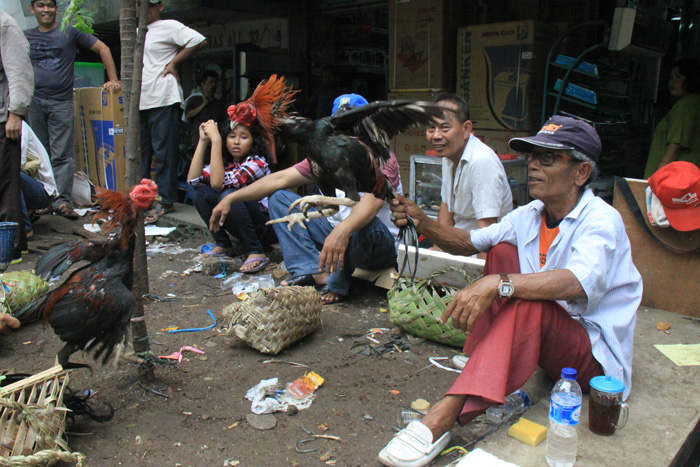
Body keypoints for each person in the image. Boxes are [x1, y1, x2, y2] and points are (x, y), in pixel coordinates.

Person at [378, 116, 643, 467]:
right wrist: (421, 221)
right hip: (551, 338)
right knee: (502, 251)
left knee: (524, 298)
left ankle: (444, 414)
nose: (532, 165)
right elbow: (468, 241)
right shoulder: (531, 214)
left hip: (593, 358)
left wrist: (498, 283)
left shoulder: (601, 219)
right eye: (533, 156)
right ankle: (483, 359)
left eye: (548, 158)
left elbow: (577, 281)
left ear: (581, 173)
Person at [210, 94, 400, 305]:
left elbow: (372, 203)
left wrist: (342, 231)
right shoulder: (328, 152)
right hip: (334, 232)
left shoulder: (381, 156)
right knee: (280, 198)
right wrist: (231, 198)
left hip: (377, 243)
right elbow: (280, 178)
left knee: (366, 226)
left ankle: (337, 283)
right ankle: (312, 270)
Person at [24, 0, 120, 220]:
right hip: (34, 101)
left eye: (50, 5)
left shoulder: (70, 32)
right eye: (40, 5)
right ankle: (43, 201)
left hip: (61, 101)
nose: (46, 9)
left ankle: (62, 201)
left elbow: (103, 48)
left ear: (57, 9)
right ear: (32, 9)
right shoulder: (25, 36)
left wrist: (113, 79)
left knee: (61, 155)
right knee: (39, 155)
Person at [140, 0, 206, 223]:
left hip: (163, 97)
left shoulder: (168, 26)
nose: (145, 9)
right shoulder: (137, 31)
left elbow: (197, 40)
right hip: (140, 100)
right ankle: (142, 199)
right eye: (141, 5)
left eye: (150, 5)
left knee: (163, 152)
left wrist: (174, 62)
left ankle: (165, 200)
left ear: (160, 6)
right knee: (140, 153)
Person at [428, 93, 513, 258]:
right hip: (458, 248)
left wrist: (480, 278)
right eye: (431, 128)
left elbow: (488, 236)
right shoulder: (449, 157)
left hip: (481, 255)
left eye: (445, 127)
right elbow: (446, 209)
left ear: (466, 129)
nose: (436, 135)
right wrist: (437, 254)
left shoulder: (481, 162)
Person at [187, 117, 271, 272]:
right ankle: (223, 245)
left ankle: (256, 251)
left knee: (230, 194)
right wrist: (203, 141)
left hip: (265, 227)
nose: (237, 142)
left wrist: (216, 140)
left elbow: (217, 183)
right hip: (243, 225)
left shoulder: (257, 163)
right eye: (232, 136)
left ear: (254, 141)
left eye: (244, 137)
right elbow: (193, 181)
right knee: (199, 194)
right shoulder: (227, 164)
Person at [1, 11, 34, 263]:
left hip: (4, 119)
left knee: (6, 186)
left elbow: (19, 71)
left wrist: (16, 112)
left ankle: (8, 248)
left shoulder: (5, 24)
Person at [644, 58, 700, 178]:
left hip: (672, 184)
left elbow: (675, 146)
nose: (672, 82)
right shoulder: (695, 103)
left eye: (678, 77)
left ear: (691, 78)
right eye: (671, 77)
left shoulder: (686, 104)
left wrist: (655, 183)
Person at [20, 121, 57, 240]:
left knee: (8, 174)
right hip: (27, 186)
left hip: (43, 191)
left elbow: (17, 162)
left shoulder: (18, 126)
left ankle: (24, 228)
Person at [184, 69, 225, 148]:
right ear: (203, 84)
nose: (213, 85)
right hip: (198, 141)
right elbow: (188, 115)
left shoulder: (217, 103)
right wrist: (203, 105)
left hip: (214, 141)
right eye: (210, 82)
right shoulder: (195, 99)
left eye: (215, 83)